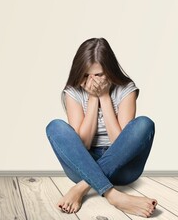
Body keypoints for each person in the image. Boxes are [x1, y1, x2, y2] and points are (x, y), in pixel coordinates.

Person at [45, 37, 157, 218]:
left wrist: (104, 97)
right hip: (82, 163)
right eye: (86, 75)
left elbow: (119, 143)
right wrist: (92, 99)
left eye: (98, 75)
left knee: (145, 124)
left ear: (110, 72)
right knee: (55, 127)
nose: (92, 81)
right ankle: (114, 196)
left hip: (123, 166)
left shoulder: (125, 89)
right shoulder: (73, 92)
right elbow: (83, 145)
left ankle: (82, 187)